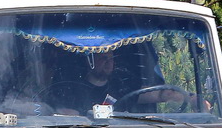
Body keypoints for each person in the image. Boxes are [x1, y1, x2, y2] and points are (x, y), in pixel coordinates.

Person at [47, 49, 185, 115]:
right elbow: (62, 113)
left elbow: (160, 95)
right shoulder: (71, 90)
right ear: (90, 62)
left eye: (111, 59)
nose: (108, 63)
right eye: (103, 58)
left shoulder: (121, 87)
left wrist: (190, 98)